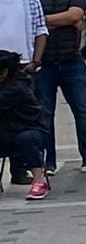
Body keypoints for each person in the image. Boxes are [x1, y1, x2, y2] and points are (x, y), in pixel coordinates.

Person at [30, 0, 86, 175]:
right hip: (43, 63)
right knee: (44, 114)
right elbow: (66, 19)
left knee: (85, 112)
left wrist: (42, 20)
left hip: (72, 61)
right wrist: (65, 20)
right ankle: (48, 163)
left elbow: (75, 16)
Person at [0, 49, 51, 200]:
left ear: (6, 72)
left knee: (25, 139)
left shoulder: (18, 87)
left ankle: (38, 181)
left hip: (28, 130)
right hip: (5, 132)